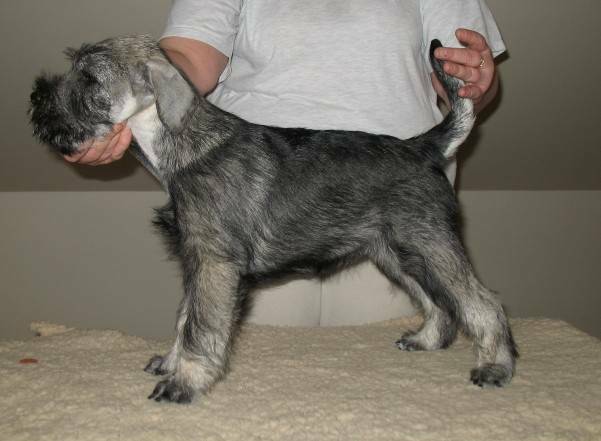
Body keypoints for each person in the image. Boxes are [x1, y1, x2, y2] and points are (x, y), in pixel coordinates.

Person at [65, 0, 506, 325]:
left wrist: (475, 81)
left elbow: (460, 75)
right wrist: (127, 92)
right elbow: (187, 60)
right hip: (257, 214)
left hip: (392, 204)